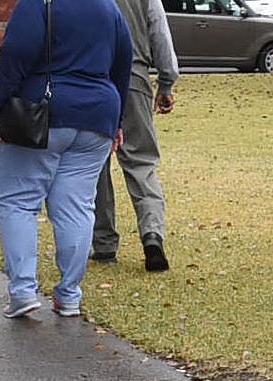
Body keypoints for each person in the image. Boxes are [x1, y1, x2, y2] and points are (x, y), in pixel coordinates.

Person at [0, 0, 133, 319]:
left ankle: (23, 290)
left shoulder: (40, 3)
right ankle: (69, 295)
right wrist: (117, 121)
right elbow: (124, 64)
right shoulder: (109, 7)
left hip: (42, 112)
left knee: (18, 201)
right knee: (77, 207)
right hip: (98, 116)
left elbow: (15, 52)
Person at [91, 0, 177, 272]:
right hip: (134, 79)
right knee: (142, 164)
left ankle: (103, 243)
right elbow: (160, 33)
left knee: (95, 166)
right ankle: (152, 234)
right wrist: (166, 82)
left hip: (94, 80)